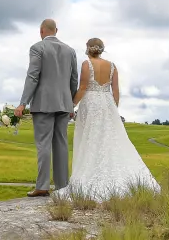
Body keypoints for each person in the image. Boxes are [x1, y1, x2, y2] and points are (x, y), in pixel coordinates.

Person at [56, 38, 160, 201]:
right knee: (110, 139)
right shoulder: (112, 66)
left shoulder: (86, 64)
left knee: (90, 138)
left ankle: (88, 173)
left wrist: (72, 105)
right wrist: (113, 107)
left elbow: (83, 87)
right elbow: (116, 90)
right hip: (107, 103)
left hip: (90, 103)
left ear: (88, 49)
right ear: (102, 49)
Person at [15, 19, 78, 197]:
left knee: (43, 144)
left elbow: (33, 76)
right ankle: (62, 187)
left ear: (41, 31)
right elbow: (74, 79)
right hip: (64, 103)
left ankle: (42, 186)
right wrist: (72, 103)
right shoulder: (70, 51)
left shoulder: (37, 48)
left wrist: (23, 103)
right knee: (62, 144)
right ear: (56, 30)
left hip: (43, 103)